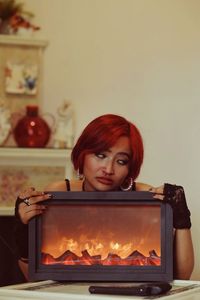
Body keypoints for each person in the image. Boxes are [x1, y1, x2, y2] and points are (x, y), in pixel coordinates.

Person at [14, 114, 194, 281]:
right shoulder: (59, 193)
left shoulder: (147, 197)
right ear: (82, 154)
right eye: (100, 155)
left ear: (130, 168)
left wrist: (182, 219)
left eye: (121, 161)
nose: (108, 169)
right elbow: (33, 278)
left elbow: (182, 277)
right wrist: (23, 227)